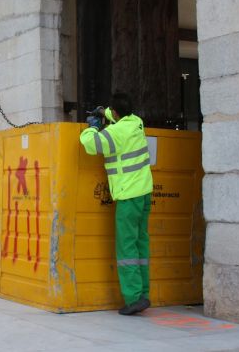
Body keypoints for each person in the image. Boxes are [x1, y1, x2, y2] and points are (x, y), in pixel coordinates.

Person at [79, 92, 153, 315]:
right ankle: (143, 293)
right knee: (141, 244)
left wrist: (92, 126)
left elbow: (91, 144)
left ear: (117, 113)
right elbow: (117, 116)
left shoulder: (116, 132)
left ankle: (132, 298)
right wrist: (103, 112)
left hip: (128, 196)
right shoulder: (136, 122)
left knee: (127, 248)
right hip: (144, 193)